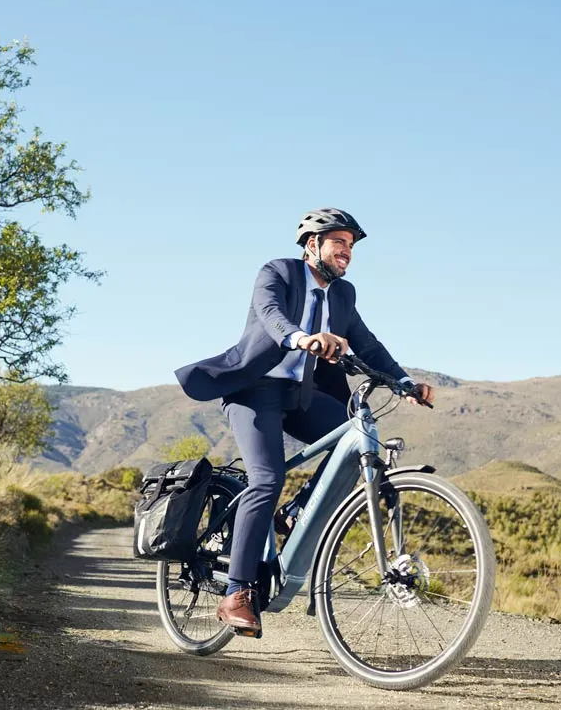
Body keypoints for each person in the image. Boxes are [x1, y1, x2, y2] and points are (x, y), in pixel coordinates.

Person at [173, 207, 434, 636]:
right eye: (339, 244)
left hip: (301, 396)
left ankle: (295, 512)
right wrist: (302, 337)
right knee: (266, 478)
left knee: (358, 439)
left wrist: (406, 382)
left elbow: (368, 343)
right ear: (313, 245)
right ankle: (236, 592)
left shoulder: (344, 295)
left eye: (350, 246)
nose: (347, 253)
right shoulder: (278, 272)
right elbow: (273, 315)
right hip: (253, 391)